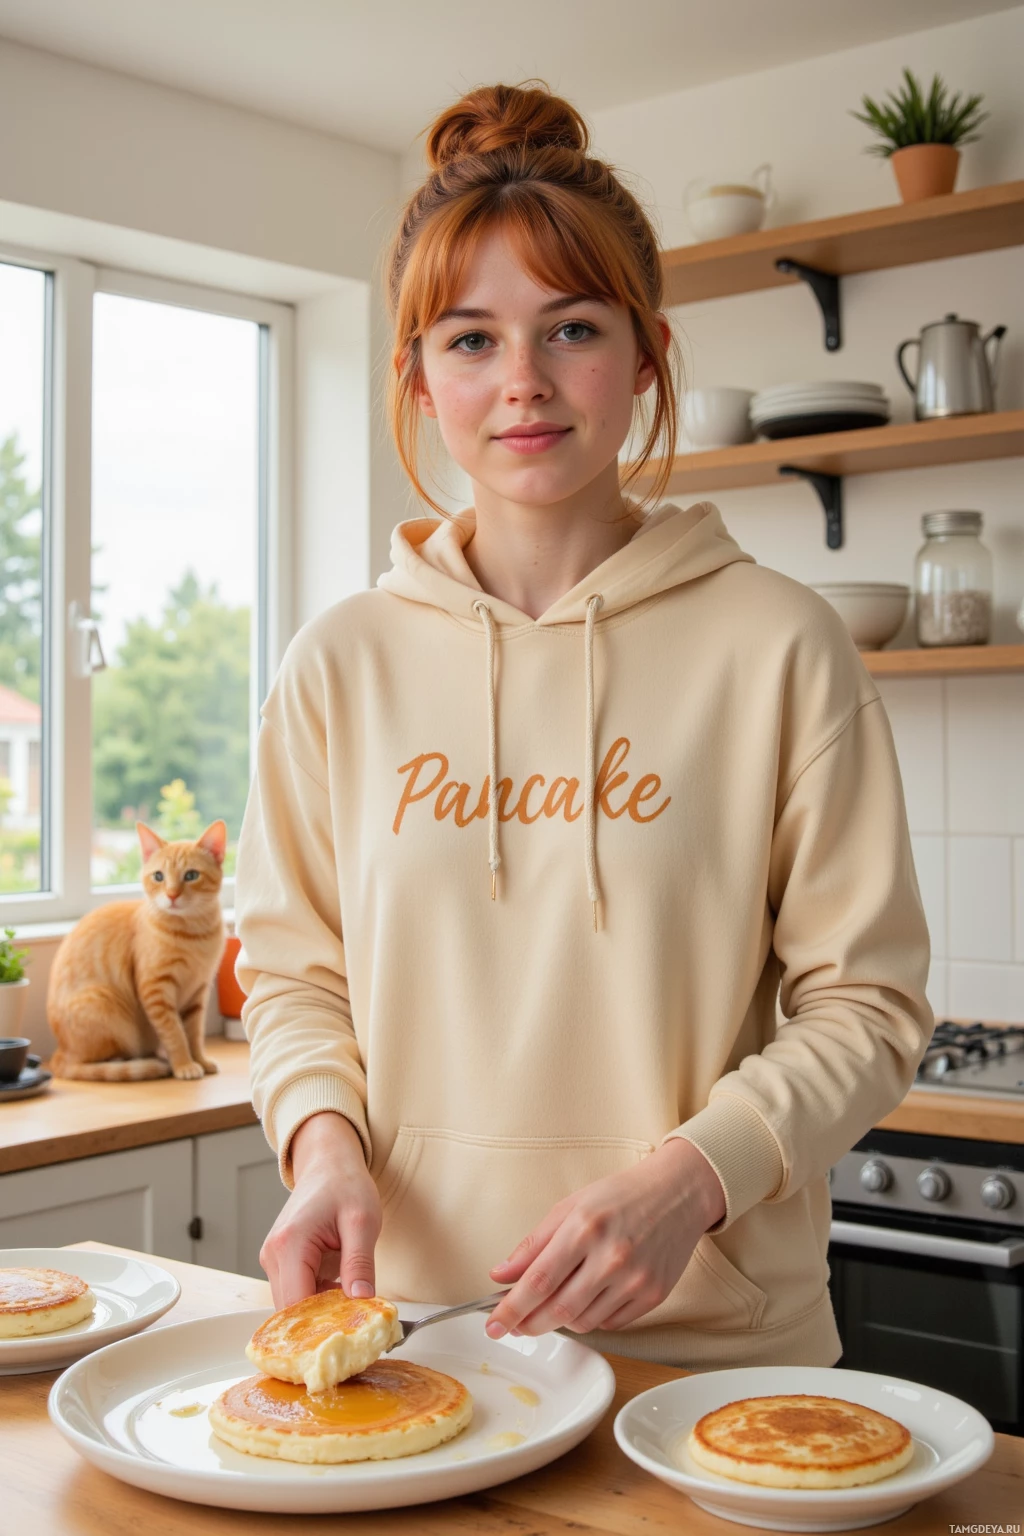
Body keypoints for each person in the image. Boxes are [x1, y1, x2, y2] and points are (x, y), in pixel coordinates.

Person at [234, 81, 933, 1369]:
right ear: (416, 373)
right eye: (470, 339)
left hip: (715, 1354)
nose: (523, 385)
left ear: (649, 350)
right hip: (419, 1337)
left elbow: (870, 1003)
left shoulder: (780, 643)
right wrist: (320, 1142)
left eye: (570, 329)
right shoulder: (340, 662)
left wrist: (693, 1180)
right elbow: (292, 976)